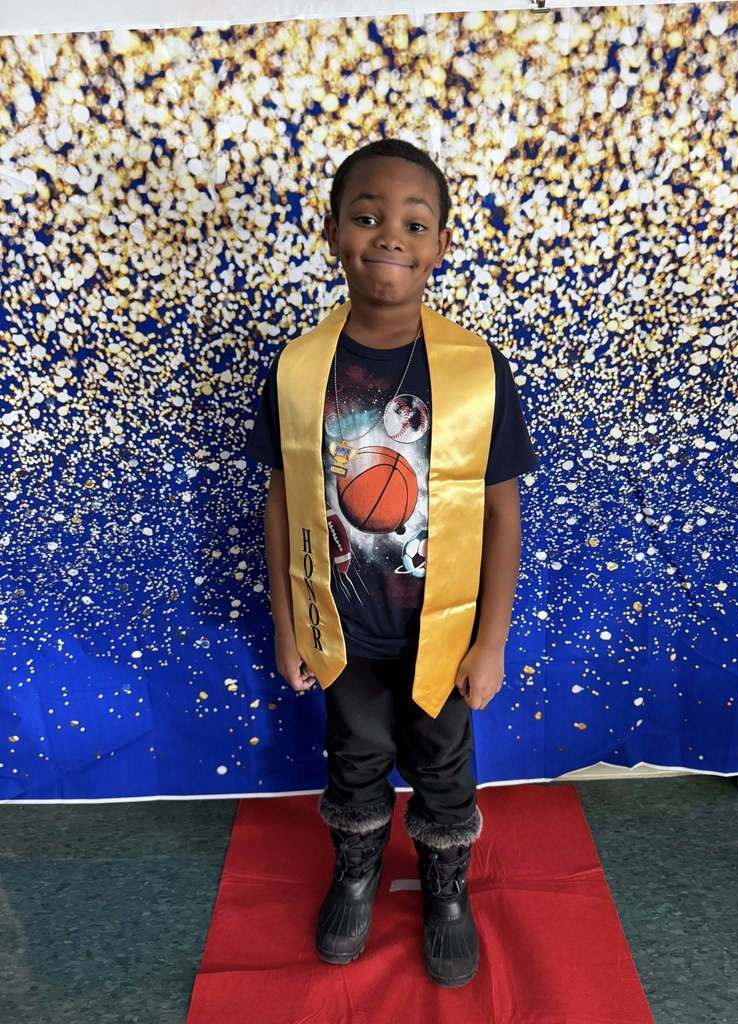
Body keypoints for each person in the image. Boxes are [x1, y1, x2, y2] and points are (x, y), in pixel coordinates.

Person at [244, 138, 539, 988]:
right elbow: (281, 499)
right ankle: (359, 871)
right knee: (356, 753)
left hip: (438, 629)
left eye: (415, 222)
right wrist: (286, 622)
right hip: (342, 620)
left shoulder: (475, 371)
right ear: (333, 233)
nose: (389, 237)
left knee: (444, 761)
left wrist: (491, 639)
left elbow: (500, 507)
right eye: (366, 217)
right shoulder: (302, 369)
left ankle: (446, 891)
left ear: (441, 243)